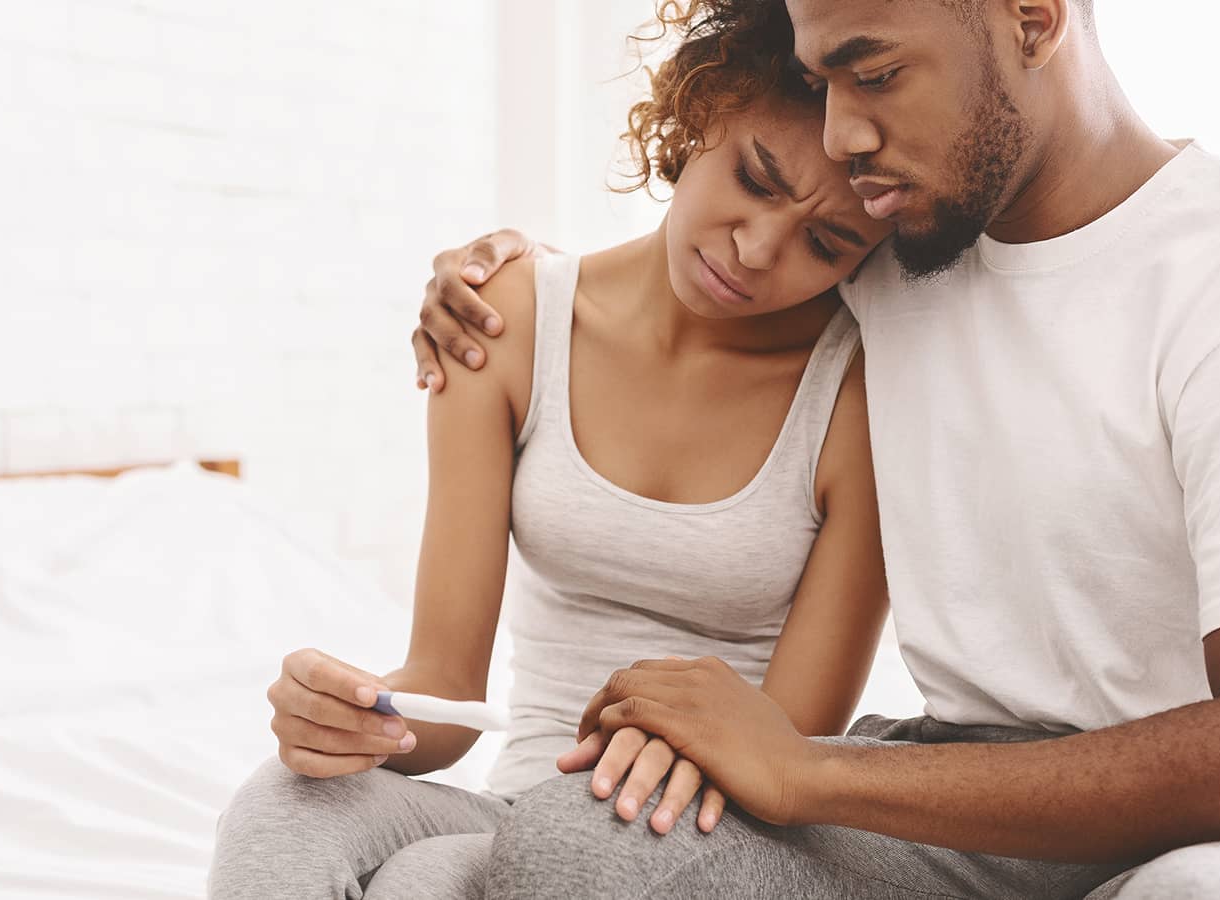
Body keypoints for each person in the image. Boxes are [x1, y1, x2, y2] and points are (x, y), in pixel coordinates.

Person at [411, 0, 1220, 897]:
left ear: (1033, 18)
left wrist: (807, 772)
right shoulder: (895, 242)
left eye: (875, 74)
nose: (845, 136)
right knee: (570, 853)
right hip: (971, 819)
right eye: (826, 82)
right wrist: (500, 275)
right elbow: (700, 273)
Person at [207, 3, 897, 897]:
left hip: (693, 836)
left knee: (426, 883)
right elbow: (447, 695)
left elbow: (785, 752)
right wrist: (350, 718)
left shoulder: (857, 397)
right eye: (757, 179)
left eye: (826, 241)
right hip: (513, 800)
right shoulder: (504, 319)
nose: (759, 250)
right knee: (284, 804)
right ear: (702, 113)